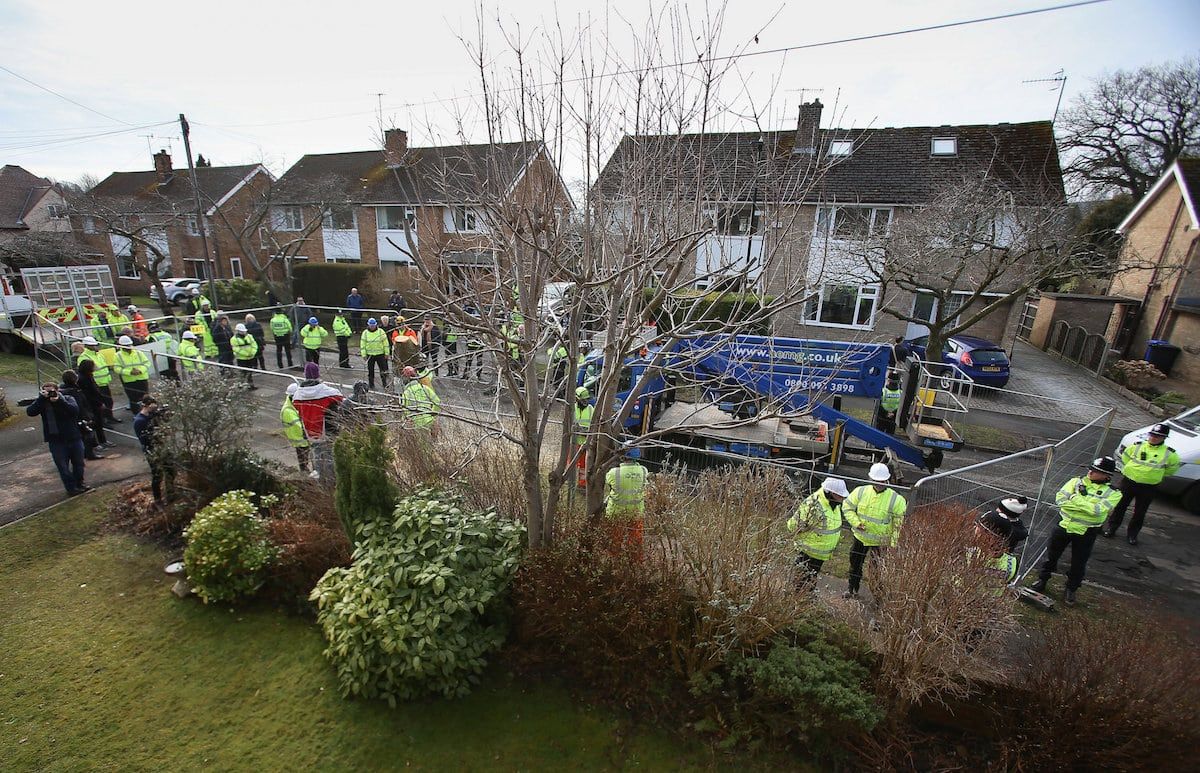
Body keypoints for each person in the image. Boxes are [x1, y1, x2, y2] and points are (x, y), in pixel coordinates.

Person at [1031, 457, 1122, 605]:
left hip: (1087, 532)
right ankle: (1042, 579)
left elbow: (1097, 510)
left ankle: (1071, 589)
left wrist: (1074, 498)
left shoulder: (1114, 493)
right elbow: (1060, 499)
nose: (1091, 472)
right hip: (1064, 525)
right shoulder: (1075, 482)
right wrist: (1085, 506)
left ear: (1107, 476)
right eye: (1091, 468)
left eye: (1096, 471)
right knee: (1051, 556)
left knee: (1079, 562)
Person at [1103, 423, 1181, 545]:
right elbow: (1126, 458)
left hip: (1148, 487)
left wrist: (1152, 475)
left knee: (1140, 511)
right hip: (1129, 482)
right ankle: (1111, 528)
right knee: (1119, 506)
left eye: (1157, 436)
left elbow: (1171, 470)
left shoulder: (1170, 454)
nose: (1153, 437)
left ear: (1164, 438)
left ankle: (1132, 535)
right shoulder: (1137, 447)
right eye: (1152, 434)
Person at [843, 462, 908, 599]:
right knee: (855, 566)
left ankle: (877, 596)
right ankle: (852, 589)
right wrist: (856, 522)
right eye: (876, 481)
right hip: (860, 538)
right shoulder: (861, 492)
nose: (879, 484)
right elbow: (847, 507)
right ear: (871, 479)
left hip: (880, 543)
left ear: (887, 480)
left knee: (876, 571)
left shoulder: (896, 499)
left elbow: (898, 524)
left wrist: (893, 543)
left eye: (882, 481)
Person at [26, 381, 89, 496]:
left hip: (73, 436)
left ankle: (80, 483)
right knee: (63, 467)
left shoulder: (67, 398)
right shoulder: (42, 403)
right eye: (46, 391)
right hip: (56, 440)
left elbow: (74, 411)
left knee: (79, 463)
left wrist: (59, 400)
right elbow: (30, 412)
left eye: (52, 391)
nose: (50, 393)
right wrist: (41, 399)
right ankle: (71, 488)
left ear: (57, 390)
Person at [786, 477, 849, 588]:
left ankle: (805, 596)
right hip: (808, 551)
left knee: (810, 577)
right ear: (830, 492)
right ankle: (799, 598)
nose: (842, 498)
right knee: (802, 579)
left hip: (819, 552)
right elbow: (794, 525)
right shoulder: (814, 505)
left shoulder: (832, 504)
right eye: (840, 495)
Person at [292, 363, 344, 480]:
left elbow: (297, 407)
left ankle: (321, 480)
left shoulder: (298, 395)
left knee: (317, 456)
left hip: (310, 431)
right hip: (328, 431)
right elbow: (341, 399)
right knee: (331, 457)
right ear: (318, 374)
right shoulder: (328, 392)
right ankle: (332, 482)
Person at [972, 496, 1030, 590]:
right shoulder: (1012, 562)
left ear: (989, 536)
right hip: (993, 600)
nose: (975, 529)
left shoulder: (970, 554)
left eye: (979, 528)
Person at [603, 446, 649, 557]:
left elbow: (607, 483)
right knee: (635, 542)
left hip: (616, 512)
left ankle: (613, 564)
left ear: (622, 456)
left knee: (614, 541)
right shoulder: (643, 471)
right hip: (636, 512)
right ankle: (634, 565)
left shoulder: (613, 473)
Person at [133, 396, 174, 503]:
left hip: (161, 446)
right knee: (157, 474)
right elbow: (145, 440)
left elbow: (165, 420)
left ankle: (170, 493)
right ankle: (158, 500)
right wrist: (158, 433)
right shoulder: (140, 421)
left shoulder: (152, 415)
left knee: (170, 470)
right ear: (146, 405)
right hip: (152, 449)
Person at [60, 369, 104, 460]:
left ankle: (84, 453)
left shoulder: (63, 390)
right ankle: (89, 454)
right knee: (87, 435)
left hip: (73, 418)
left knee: (82, 436)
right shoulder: (74, 391)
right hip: (81, 417)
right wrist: (87, 416)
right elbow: (80, 405)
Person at [77, 335, 118, 425]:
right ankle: (103, 421)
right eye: (93, 345)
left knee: (109, 401)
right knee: (101, 403)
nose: (96, 346)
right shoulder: (84, 357)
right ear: (87, 346)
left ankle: (109, 417)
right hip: (96, 384)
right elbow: (86, 371)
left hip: (104, 382)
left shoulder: (99, 355)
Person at [75, 358, 112, 450]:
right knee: (93, 424)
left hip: (94, 403)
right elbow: (89, 394)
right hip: (91, 405)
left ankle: (102, 441)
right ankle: (95, 444)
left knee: (99, 423)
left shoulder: (88, 376)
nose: (95, 367)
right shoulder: (83, 379)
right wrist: (99, 403)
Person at [113, 335, 151, 411]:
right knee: (133, 399)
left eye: (129, 345)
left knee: (145, 397)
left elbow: (147, 363)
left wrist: (140, 370)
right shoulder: (118, 355)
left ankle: (147, 412)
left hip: (141, 378)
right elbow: (117, 369)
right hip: (129, 381)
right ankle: (136, 413)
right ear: (121, 346)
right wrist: (130, 372)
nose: (128, 347)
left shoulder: (138, 352)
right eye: (126, 346)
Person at [281, 382, 311, 473]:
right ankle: (304, 472)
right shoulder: (288, 410)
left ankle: (305, 470)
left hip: (302, 437)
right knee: (303, 458)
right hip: (299, 438)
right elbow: (299, 425)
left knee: (304, 456)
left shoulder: (292, 405)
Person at [401, 368, 441, 435]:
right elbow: (437, 401)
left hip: (416, 423)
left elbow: (405, 410)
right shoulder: (425, 388)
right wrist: (433, 413)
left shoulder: (406, 393)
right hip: (429, 420)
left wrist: (405, 420)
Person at [360, 317, 391, 391]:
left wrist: (387, 353)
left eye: (373, 325)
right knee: (370, 371)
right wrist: (364, 355)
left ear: (376, 325)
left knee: (383, 370)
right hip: (370, 355)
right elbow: (362, 345)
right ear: (368, 325)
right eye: (371, 325)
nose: (372, 327)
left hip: (380, 354)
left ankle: (384, 383)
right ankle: (371, 385)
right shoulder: (365, 333)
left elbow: (386, 343)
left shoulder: (381, 332)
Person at [573, 387, 593, 486]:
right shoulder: (572, 408)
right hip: (574, 442)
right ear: (577, 399)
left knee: (584, 466)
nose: (585, 401)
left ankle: (582, 484)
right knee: (572, 464)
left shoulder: (591, 409)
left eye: (586, 399)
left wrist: (586, 432)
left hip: (586, 443)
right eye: (583, 400)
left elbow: (595, 426)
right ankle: (570, 483)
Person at [231, 323, 260, 389]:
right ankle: (240, 385)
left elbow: (254, 345)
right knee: (242, 372)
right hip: (241, 359)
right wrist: (247, 354)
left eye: (244, 331)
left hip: (250, 357)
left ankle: (250, 385)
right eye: (242, 331)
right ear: (238, 331)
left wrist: (253, 352)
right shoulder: (234, 339)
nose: (244, 332)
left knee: (249, 372)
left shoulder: (249, 336)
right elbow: (236, 349)